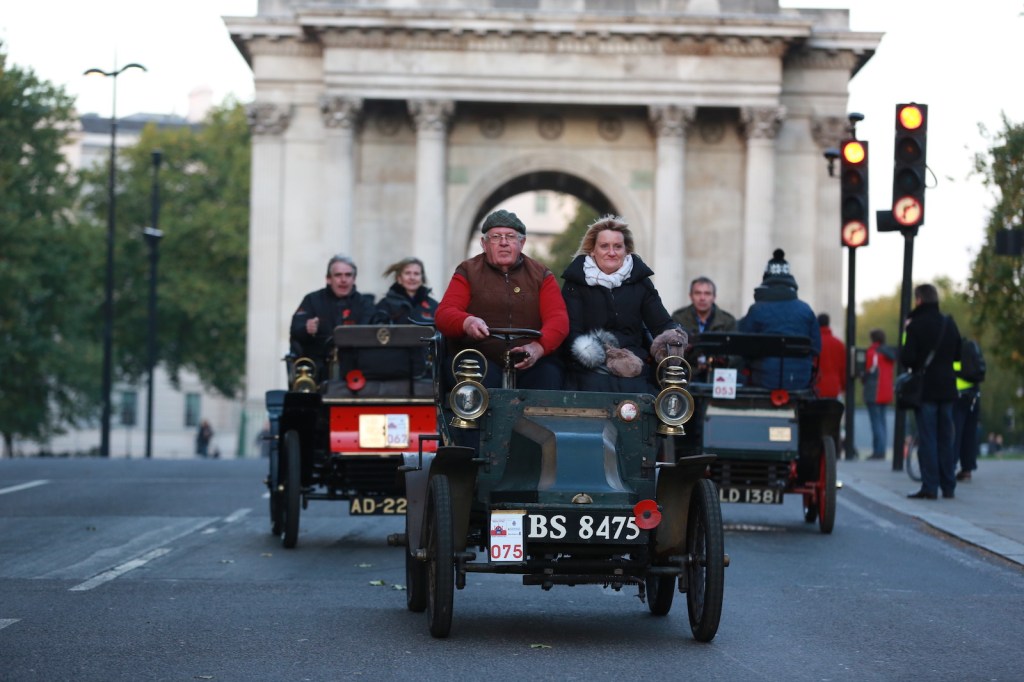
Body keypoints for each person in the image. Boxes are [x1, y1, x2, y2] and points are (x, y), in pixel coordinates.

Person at [434, 209, 568, 389]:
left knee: (549, 375)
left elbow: (558, 319)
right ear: (484, 244)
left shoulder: (541, 274)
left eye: (511, 237)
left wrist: (538, 348)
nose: (503, 243)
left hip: (529, 358)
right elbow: (444, 313)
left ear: (522, 243)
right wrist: (467, 322)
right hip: (478, 356)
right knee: (474, 378)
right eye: (496, 237)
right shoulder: (468, 271)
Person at [561, 215, 687, 393]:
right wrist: (609, 356)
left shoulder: (640, 282)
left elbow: (661, 323)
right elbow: (572, 334)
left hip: (636, 365)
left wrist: (673, 338)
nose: (611, 252)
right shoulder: (575, 283)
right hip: (588, 366)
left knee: (662, 392)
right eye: (604, 246)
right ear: (592, 250)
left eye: (617, 246)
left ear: (626, 250)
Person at [902, 283, 961, 500]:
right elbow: (958, 354)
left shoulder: (915, 325)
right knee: (946, 438)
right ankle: (949, 486)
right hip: (948, 388)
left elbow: (907, 358)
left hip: (925, 389)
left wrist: (907, 333)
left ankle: (930, 486)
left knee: (928, 439)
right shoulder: (949, 323)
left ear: (919, 300)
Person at [737, 249, 821, 389]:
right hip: (800, 381)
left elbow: (742, 348)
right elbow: (816, 348)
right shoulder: (806, 310)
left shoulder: (757, 309)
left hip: (763, 380)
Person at [289, 255, 375, 373]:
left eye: (348, 275)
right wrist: (306, 329)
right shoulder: (312, 300)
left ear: (354, 279)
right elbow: (295, 330)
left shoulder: (365, 304)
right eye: (338, 275)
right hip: (318, 367)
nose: (343, 280)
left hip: (355, 368)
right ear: (328, 279)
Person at [671, 276, 737, 377]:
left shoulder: (728, 321)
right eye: (698, 293)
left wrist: (722, 360)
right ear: (691, 296)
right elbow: (671, 351)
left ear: (714, 297)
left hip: (718, 375)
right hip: (686, 374)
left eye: (707, 293)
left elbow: (736, 354)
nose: (702, 298)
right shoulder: (678, 318)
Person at [953, 336, 986, 481]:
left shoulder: (954, 351)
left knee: (955, 432)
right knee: (969, 434)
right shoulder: (971, 349)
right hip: (973, 395)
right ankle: (967, 469)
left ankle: (950, 465)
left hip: (958, 395)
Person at [371, 257, 438, 325]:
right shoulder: (385, 305)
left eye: (416, 273)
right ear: (399, 278)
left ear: (422, 279)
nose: (412, 277)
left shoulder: (434, 306)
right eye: (407, 273)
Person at [862, 328, 896, 460]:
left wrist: (863, 377)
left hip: (875, 392)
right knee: (882, 422)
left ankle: (878, 451)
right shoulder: (889, 353)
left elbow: (870, 370)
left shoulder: (873, 352)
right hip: (887, 391)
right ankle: (881, 449)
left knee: (876, 423)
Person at [814, 313, 847, 399]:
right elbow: (843, 369)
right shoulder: (839, 344)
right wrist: (844, 387)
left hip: (816, 388)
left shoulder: (814, 343)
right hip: (834, 387)